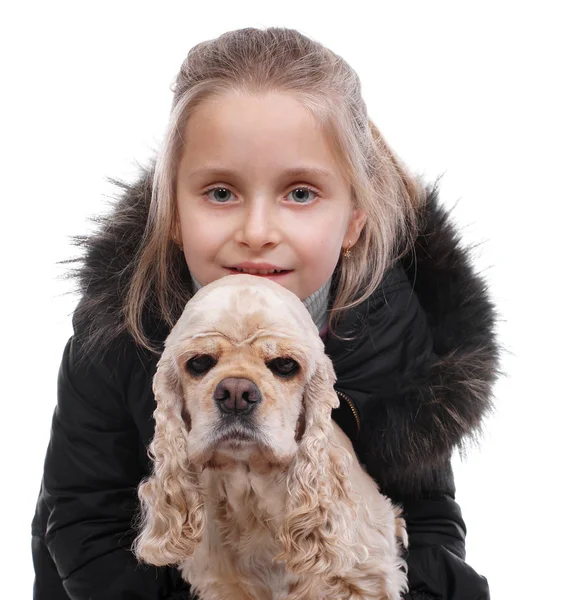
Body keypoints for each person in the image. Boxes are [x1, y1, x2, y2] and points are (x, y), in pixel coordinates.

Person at [31, 26, 501, 600]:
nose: (257, 233)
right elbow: (85, 527)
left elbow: (429, 524)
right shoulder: (120, 330)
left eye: (300, 193)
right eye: (221, 193)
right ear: (172, 213)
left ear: (354, 218)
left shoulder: (396, 329)